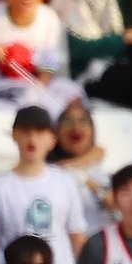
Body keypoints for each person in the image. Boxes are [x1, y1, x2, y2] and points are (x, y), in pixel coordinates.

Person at [0, 105, 87, 264]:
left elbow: (78, 239)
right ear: (14, 135)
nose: (32, 138)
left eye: (39, 132)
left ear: (52, 139)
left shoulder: (65, 182)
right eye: (25, 131)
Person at [0, 0, 82, 111]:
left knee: (71, 92)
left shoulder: (49, 18)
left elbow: (49, 65)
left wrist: (37, 90)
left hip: (37, 86)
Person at [49, 99, 115, 236]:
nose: (76, 127)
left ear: (93, 132)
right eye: (67, 122)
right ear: (56, 133)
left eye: (83, 121)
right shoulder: (45, 171)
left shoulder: (106, 170)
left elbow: (117, 207)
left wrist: (87, 180)